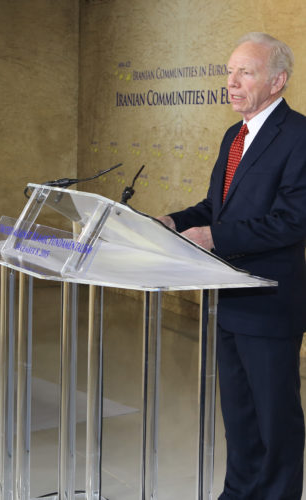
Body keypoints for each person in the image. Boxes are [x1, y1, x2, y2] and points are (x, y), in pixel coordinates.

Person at [159, 32, 306, 499]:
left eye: (245, 72)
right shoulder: (234, 135)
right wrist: (172, 221)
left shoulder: (300, 136)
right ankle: (239, 492)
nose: (232, 82)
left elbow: (291, 221)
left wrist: (214, 237)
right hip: (227, 297)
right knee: (239, 415)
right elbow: (215, 208)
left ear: (277, 81)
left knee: (274, 418)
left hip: (269, 301)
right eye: (229, 71)